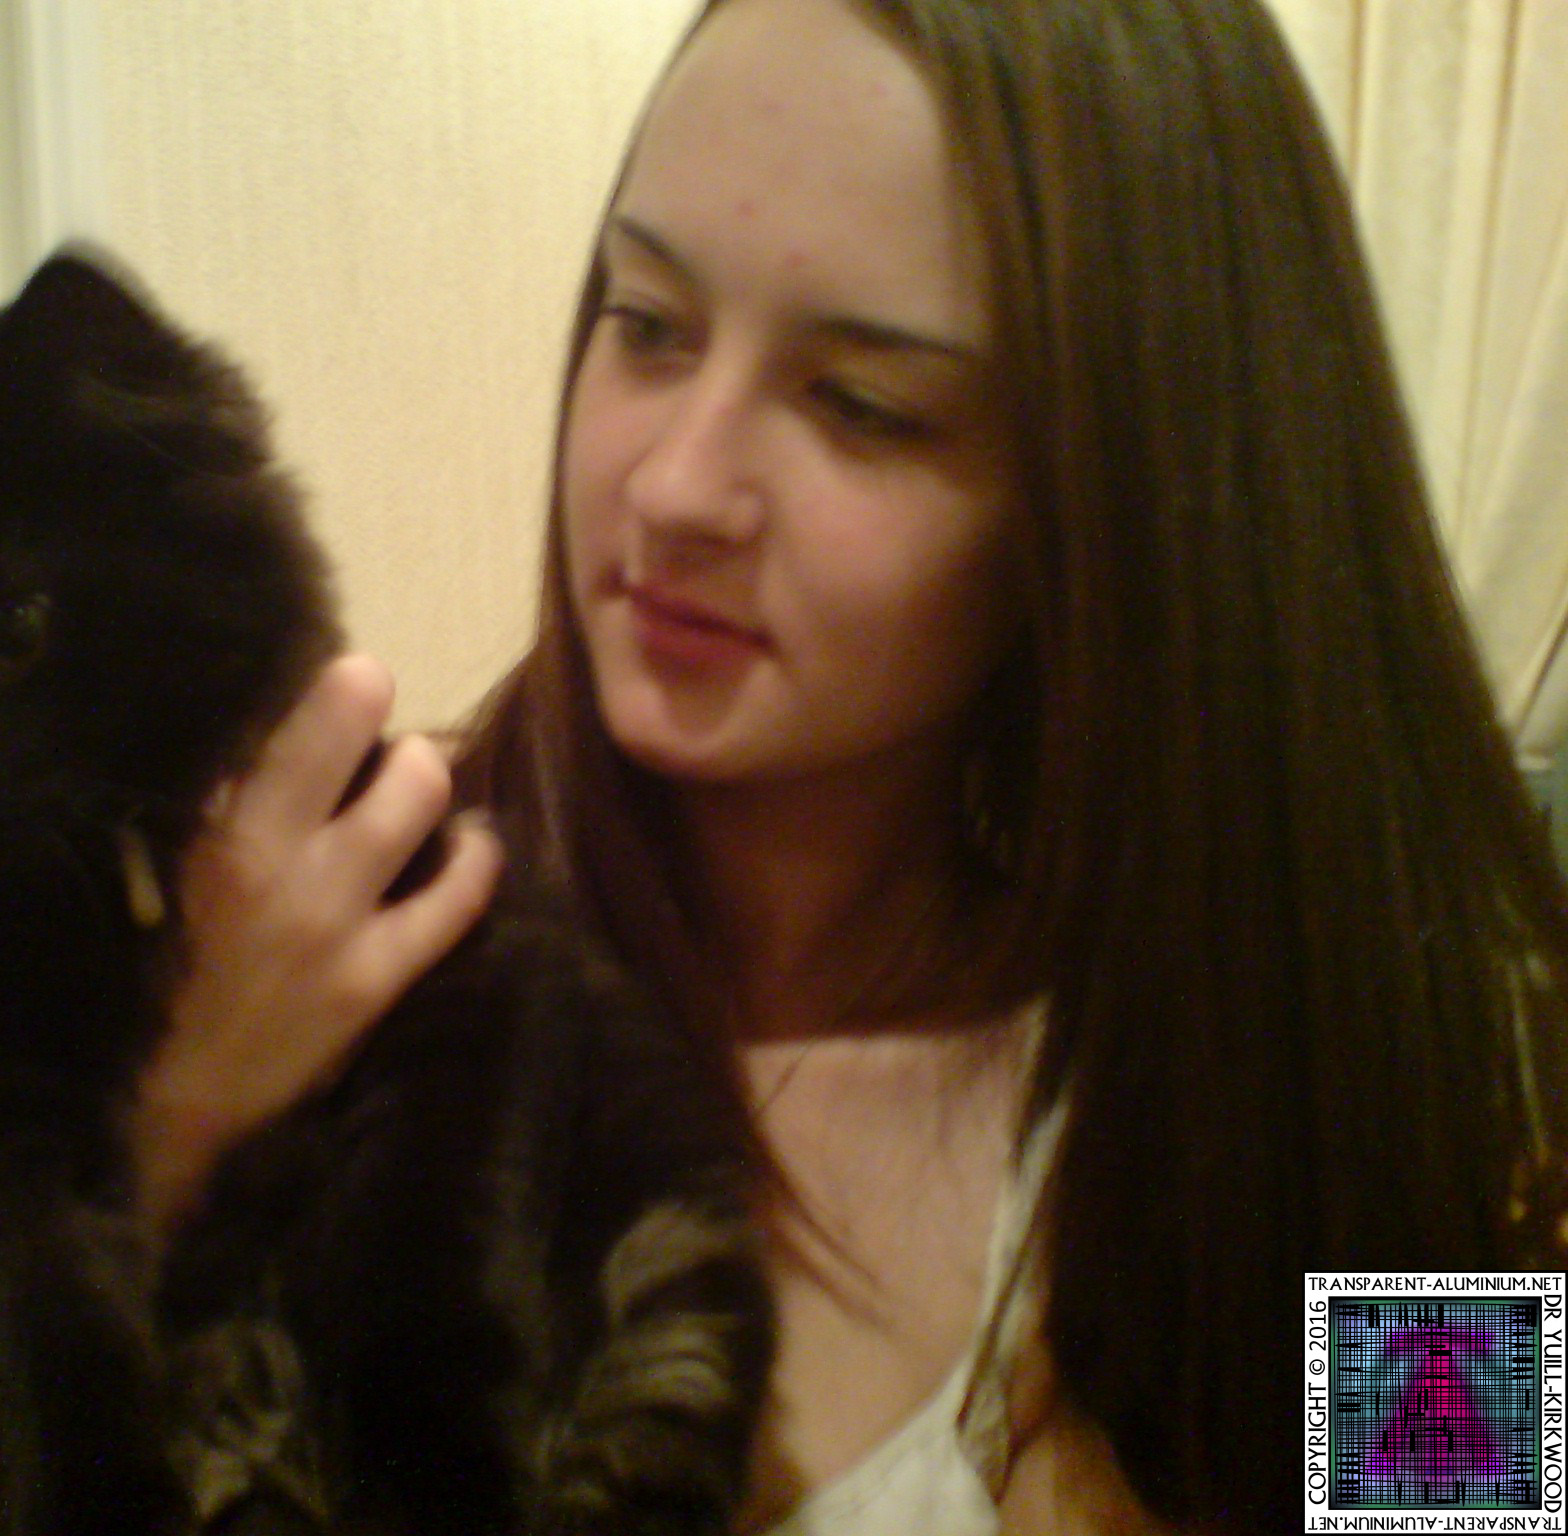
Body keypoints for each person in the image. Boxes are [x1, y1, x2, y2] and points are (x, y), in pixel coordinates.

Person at [132, 0, 1568, 1531]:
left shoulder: (1363, 1081)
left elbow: (1456, 1512)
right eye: (649, 321)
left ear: (1113, 501)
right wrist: (158, 1160)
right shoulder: (296, 964)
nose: (676, 487)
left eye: (863, 405)